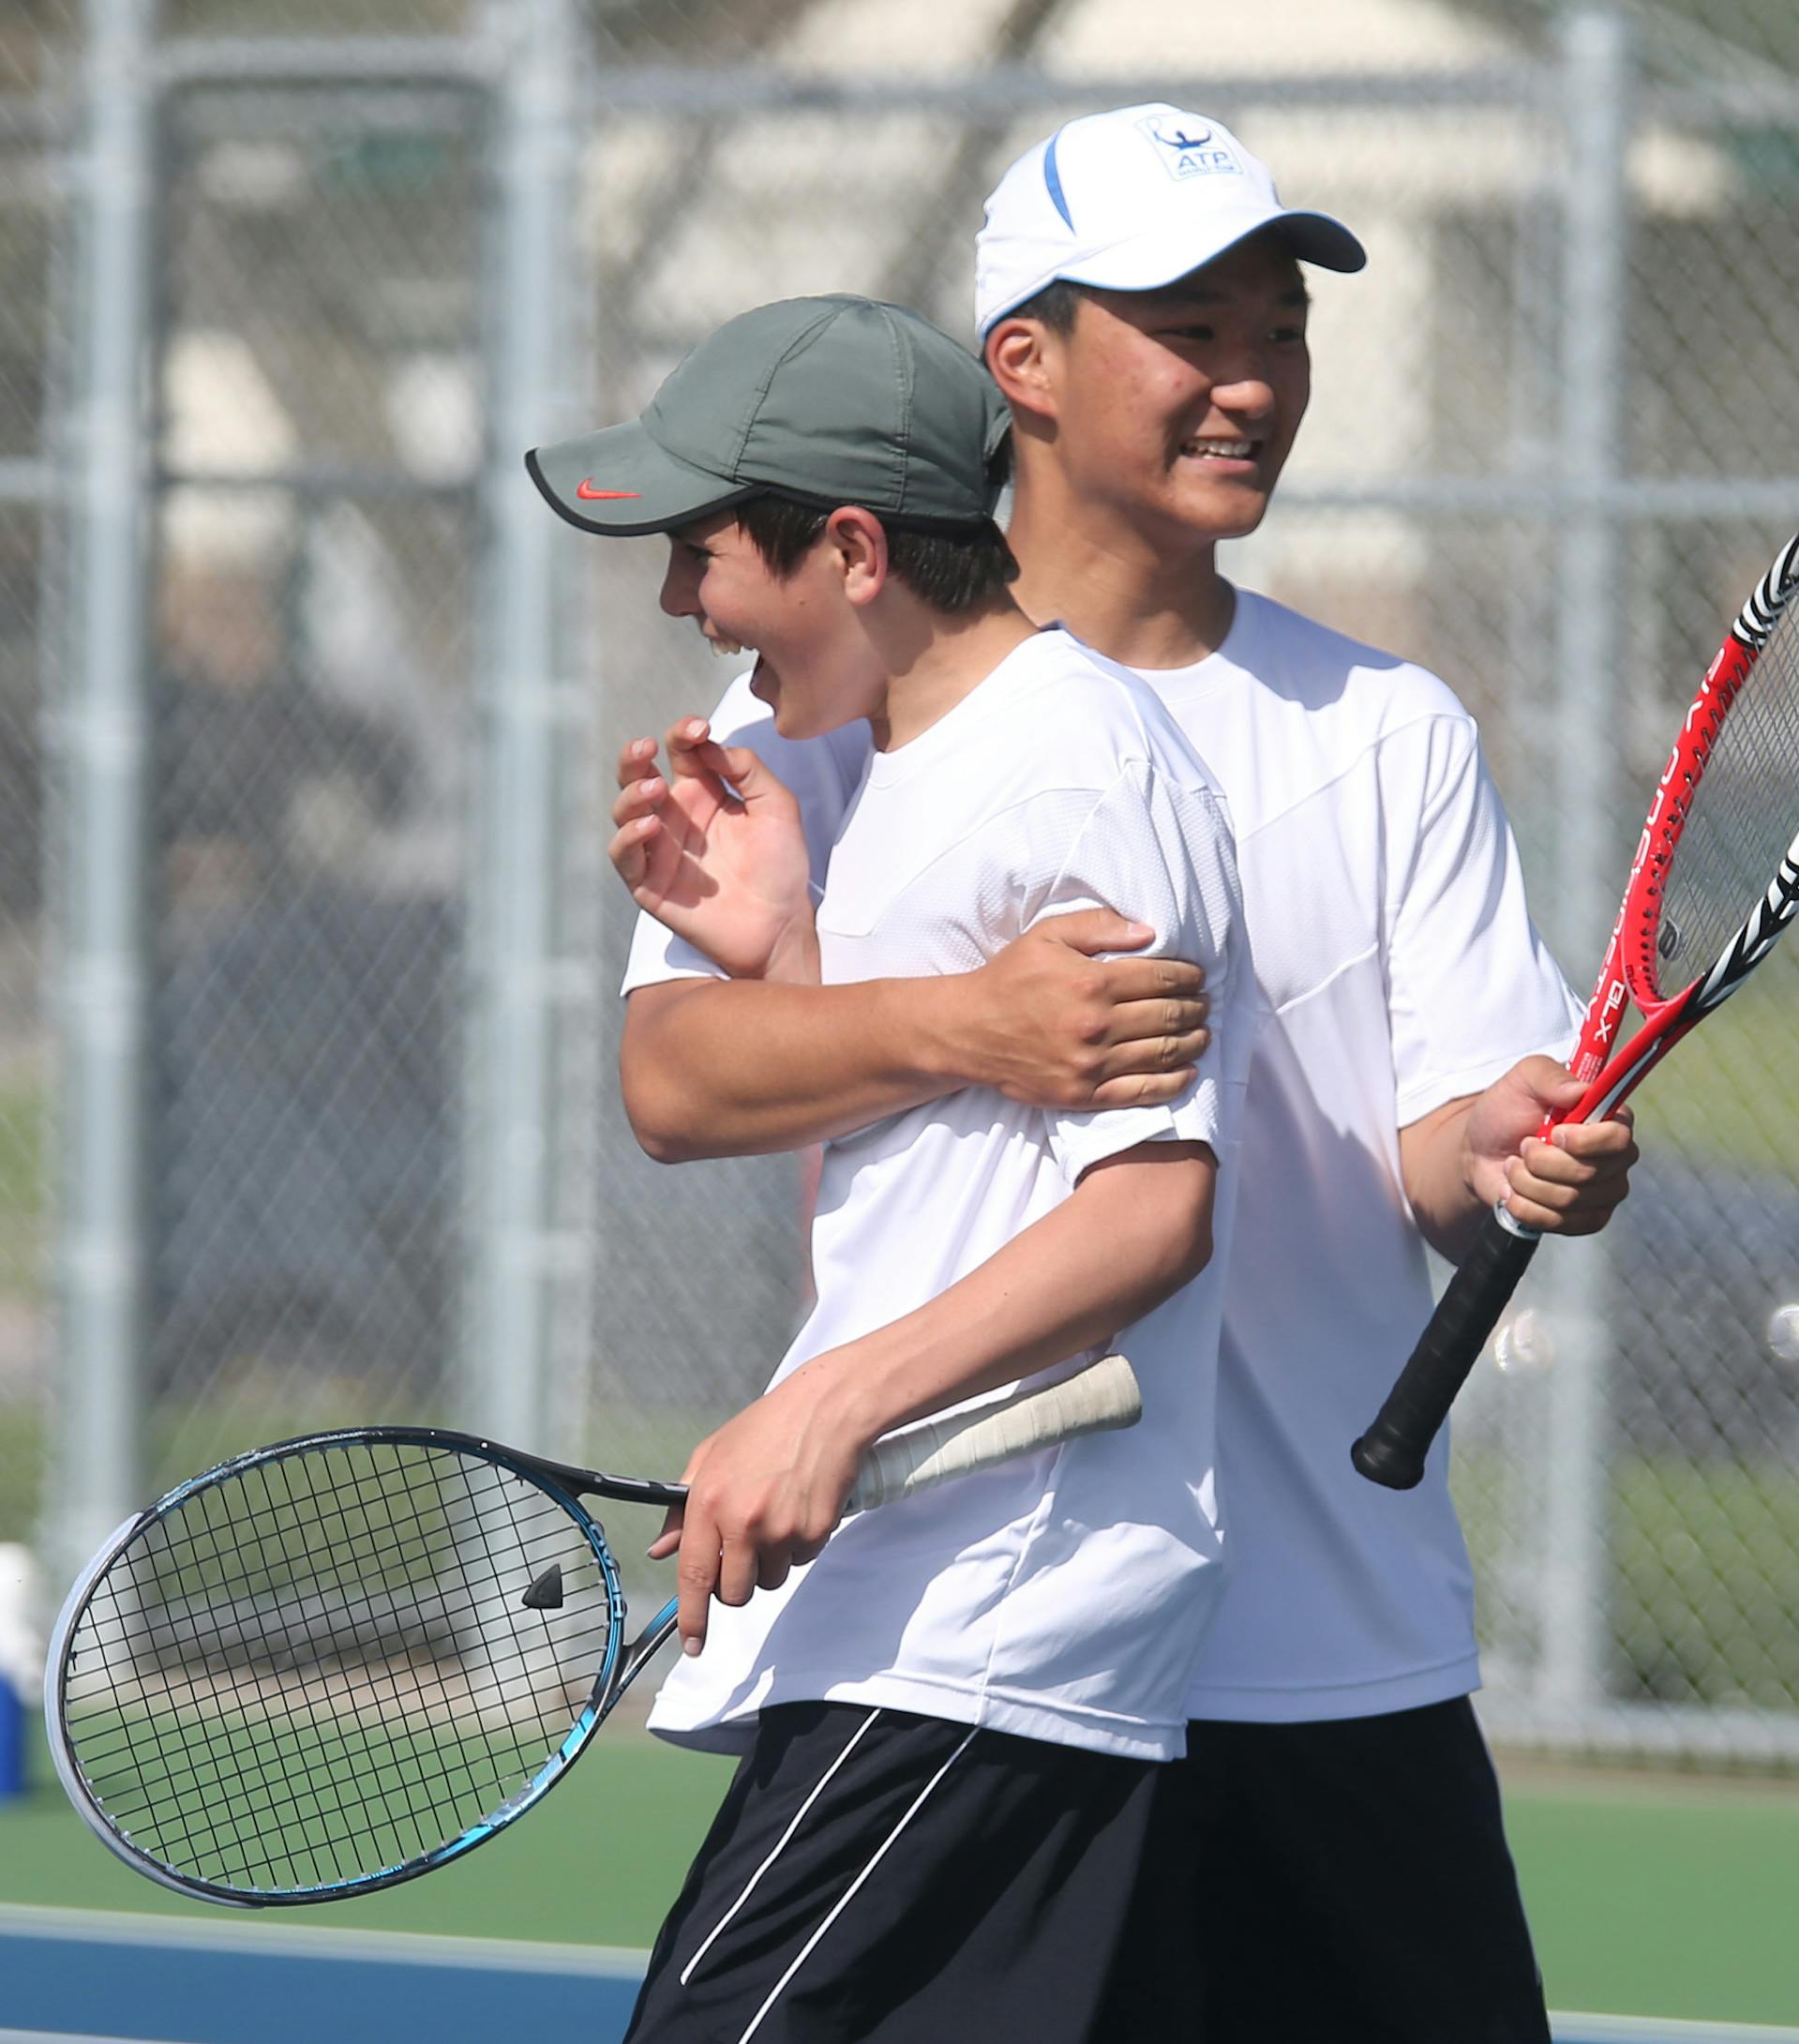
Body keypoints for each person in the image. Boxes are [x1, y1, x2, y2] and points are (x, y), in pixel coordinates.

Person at [607, 109, 1641, 2041]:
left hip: (1326, 1646)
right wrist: (959, 1020)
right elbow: (683, 1082)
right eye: (1192, 327)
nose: (1251, 381)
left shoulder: (1391, 726)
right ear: (1026, 363)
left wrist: (1505, 1148)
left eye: (1280, 331)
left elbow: (1426, 1150)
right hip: (990, 1617)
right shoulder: (824, 682)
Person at [528, 292, 1255, 2043]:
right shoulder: (899, 766)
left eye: (704, 552)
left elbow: (1154, 1206)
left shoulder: (1069, 773)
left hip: (992, 1605)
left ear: (851, 548)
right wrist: (785, 952)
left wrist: (830, 1404)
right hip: (936, 1599)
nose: (677, 601)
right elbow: (934, 1156)